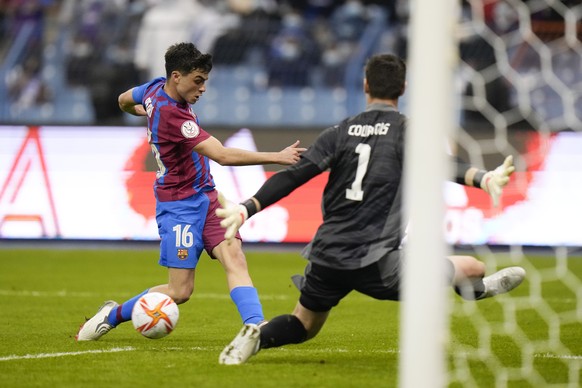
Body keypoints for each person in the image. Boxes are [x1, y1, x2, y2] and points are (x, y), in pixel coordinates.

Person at [214, 53, 525, 365]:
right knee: (472, 268)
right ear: (403, 88)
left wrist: (246, 209)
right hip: (377, 261)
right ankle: (478, 289)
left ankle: (258, 335)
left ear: (365, 85)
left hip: (327, 255)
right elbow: (443, 164)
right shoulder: (407, 130)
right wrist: (484, 178)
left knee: (303, 325)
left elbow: (293, 175)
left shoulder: (340, 132)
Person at [75, 42, 306, 341]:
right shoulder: (173, 117)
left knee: (234, 256)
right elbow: (222, 155)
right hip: (178, 206)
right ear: (176, 77)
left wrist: (142, 111)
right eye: (198, 81)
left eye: (205, 81)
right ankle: (113, 314)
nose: (203, 88)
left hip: (208, 199)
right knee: (180, 291)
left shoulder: (153, 89)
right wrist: (278, 156)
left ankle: (255, 327)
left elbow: (121, 100)